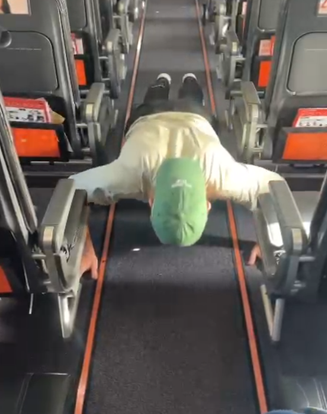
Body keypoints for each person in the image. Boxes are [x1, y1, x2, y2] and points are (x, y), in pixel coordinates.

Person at [73, 73, 282, 277]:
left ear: (151, 201)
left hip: (185, 116)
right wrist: (270, 242)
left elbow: (72, 191)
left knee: (179, 98)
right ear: (208, 205)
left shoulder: (220, 174)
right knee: (174, 98)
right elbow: (274, 186)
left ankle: (174, 80)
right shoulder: (132, 173)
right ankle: (172, 81)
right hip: (167, 116)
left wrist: (271, 242)